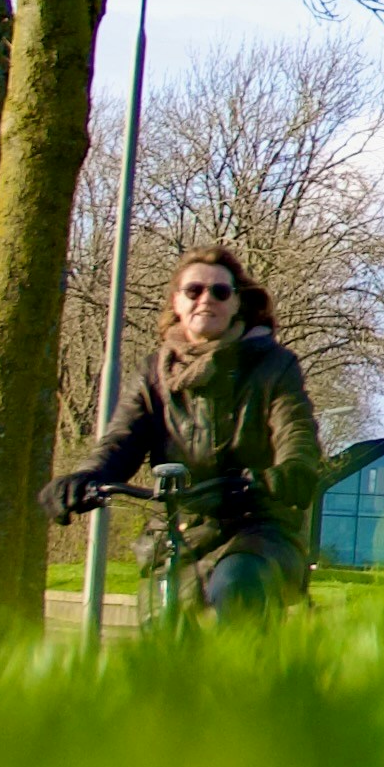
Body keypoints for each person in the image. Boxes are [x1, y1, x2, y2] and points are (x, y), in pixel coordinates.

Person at [56, 246, 320, 620]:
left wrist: (291, 471)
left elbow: (295, 429)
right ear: (176, 303)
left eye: (220, 292)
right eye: (194, 291)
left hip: (257, 527)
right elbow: (120, 442)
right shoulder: (154, 375)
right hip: (178, 530)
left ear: (237, 304)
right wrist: (85, 479)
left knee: (237, 585)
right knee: (162, 626)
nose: (206, 300)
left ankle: (254, 675)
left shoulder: (273, 366)